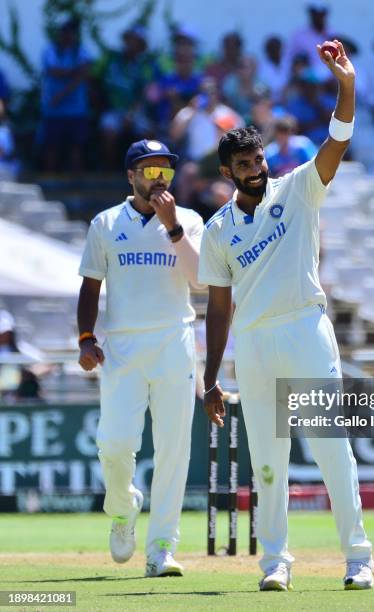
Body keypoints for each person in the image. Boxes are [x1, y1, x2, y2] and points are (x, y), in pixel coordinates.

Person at [198, 41, 374, 591]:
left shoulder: (297, 189)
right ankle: (275, 563)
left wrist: (346, 85)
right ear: (228, 170)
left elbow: (337, 140)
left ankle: (358, 558)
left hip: (304, 329)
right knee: (268, 463)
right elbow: (218, 309)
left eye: (258, 160)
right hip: (253, 345)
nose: (254, 169)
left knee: (331, 450)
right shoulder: (216, 230)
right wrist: (210, 379)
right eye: (243, 164)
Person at [77, 139, 204, 577]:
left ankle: (162, 548)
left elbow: (201, 279)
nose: (158, 179)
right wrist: (86, 338)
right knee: (114, 445)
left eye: (164, 171)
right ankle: (122, 506)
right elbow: (90, 286)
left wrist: (172, 227)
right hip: (123, 348)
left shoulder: (188, 220)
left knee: (173, 449)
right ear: (131, 176)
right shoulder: (106, 223)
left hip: (174, 341)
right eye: (149, 171)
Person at [95, 25, 157, 168]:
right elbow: (94, 79)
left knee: (148, 133)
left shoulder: (145, 65)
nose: (132, 44)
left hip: (135, 111)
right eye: (130, 40)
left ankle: (142, 169)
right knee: (108, 131)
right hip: (112, 110)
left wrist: (131, 114)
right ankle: (109, 167)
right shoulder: (111, 59)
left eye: (136, 41)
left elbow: (145, 93)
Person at [39, 18, 92, 172]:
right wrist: (75, 72)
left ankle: (76, 179)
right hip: (53, 108)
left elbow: (83, 74)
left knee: (77, 145)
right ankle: (49, 176)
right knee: (51, 145)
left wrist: (61, 92)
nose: (68, 36)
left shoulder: (80, 50)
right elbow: (54, 71)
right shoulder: (50, 50)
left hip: (76, 109)